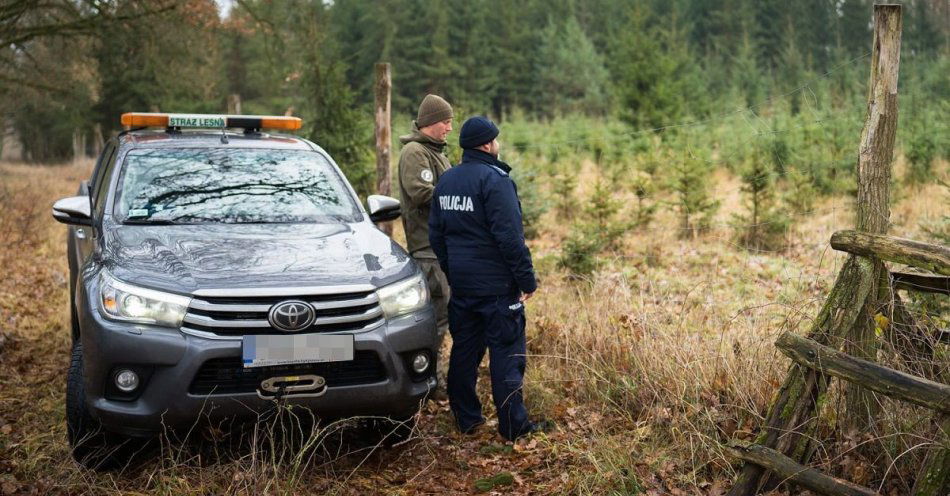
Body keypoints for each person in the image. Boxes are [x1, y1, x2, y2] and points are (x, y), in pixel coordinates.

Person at [428, 116, 543, 441]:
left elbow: (436, 235)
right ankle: (513, 428)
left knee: (464, 351)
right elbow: (510, 238)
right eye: (496, 139)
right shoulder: (496, 181)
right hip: (496, 289)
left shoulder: (447, 181)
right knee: (507, 354)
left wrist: (454, 270)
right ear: (487, 144)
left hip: (462, 286)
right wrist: (527, 280)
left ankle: (466, 419)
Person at [398, 94, 454, 338]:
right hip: (428, 250)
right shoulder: (415, 152)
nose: (450, 128)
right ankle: (433, 375)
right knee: (437, 323)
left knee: (446, 317)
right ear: (432, 121)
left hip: (442, 249)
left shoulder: (436, 153)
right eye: (446, 122)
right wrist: (460, 202)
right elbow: (421, 193)